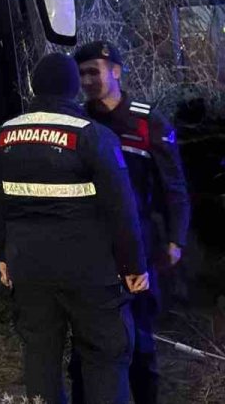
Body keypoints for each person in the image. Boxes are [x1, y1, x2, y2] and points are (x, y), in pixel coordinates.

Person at [0, 53, 147, 404]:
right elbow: (122, 209)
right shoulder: (94, 136)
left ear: (33, 87)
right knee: (105, 357)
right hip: (91, 272)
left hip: (29, 268)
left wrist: (3, 255)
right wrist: (134, 265)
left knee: (40, 357)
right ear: (74, 89)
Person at [70, 41, 191, 404]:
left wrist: (176, 240)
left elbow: (174, 186)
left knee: (139, 341)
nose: (87, 81)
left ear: (116, 71)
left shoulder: (147, 121)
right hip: (88, 246)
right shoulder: (79, 122)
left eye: (94, 72)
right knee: (85, 343)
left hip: (138, 245)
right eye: (81, 74)